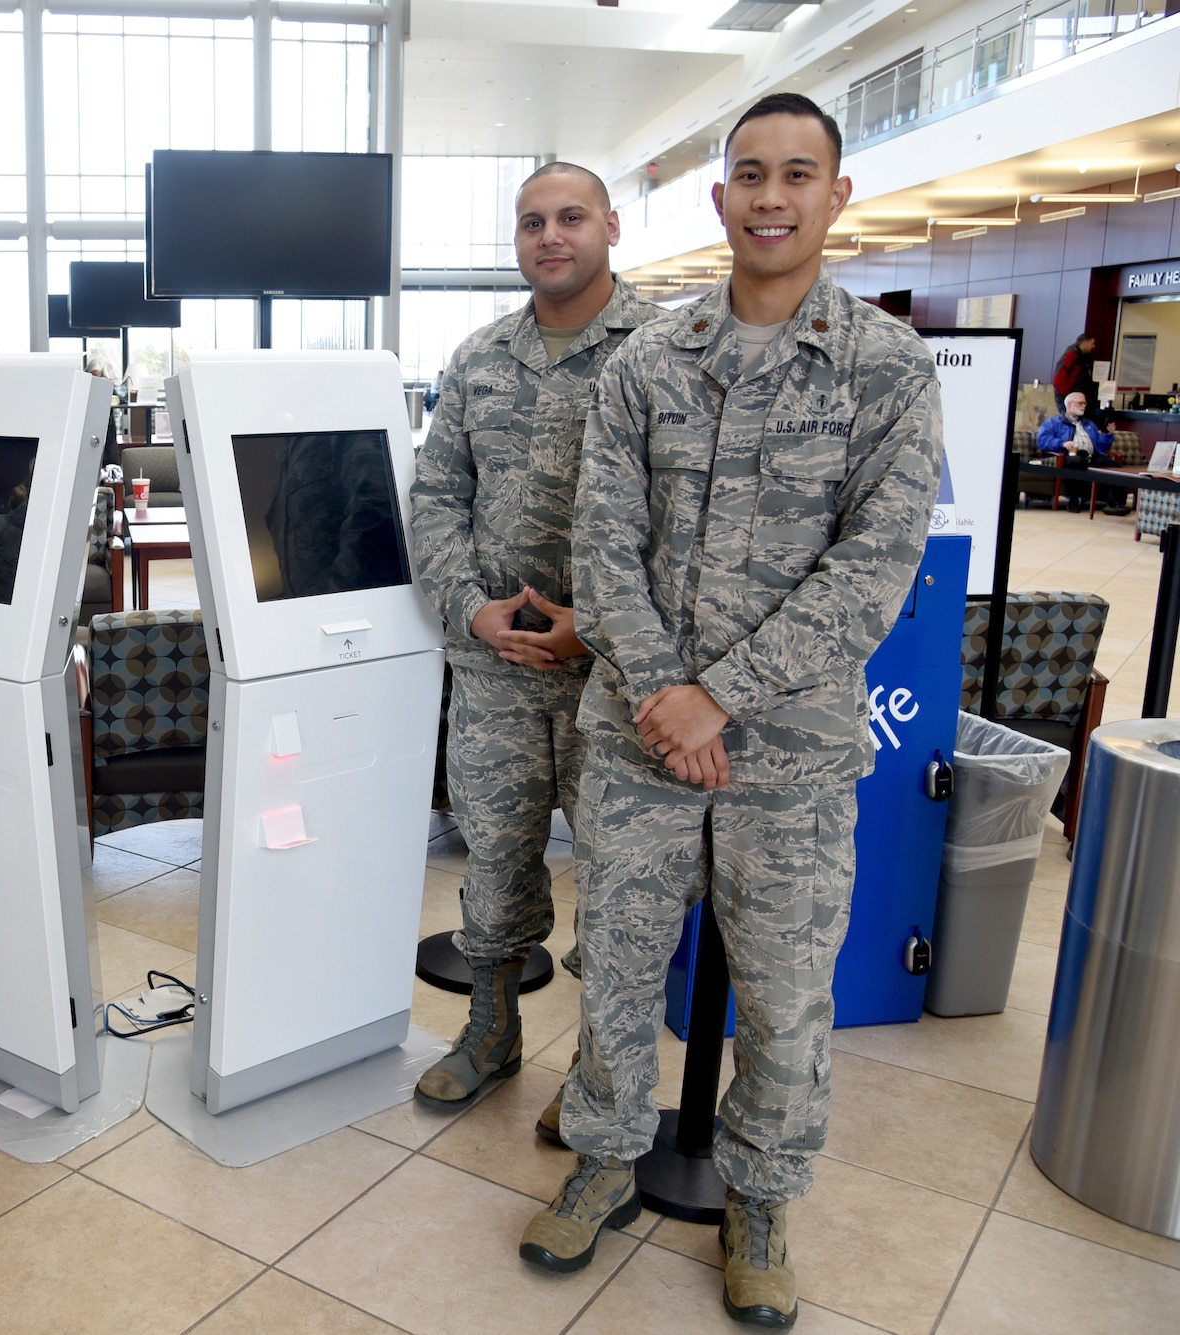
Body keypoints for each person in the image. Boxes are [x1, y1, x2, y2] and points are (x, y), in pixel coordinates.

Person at [521, 94, 941, 1330]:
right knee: (614, 972)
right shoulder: (649, 361)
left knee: (784, 994)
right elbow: (600, 542)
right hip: (641, 743)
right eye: (747, 174)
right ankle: (601, 1158)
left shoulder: (883, 368)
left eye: (794, 175)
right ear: (717, 200)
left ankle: (758, 1202)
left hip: (791, 756)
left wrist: (720, 697)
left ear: (833, 196)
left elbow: (873, 570)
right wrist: (665, 699)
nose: (769, 197)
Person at [408, 162, 660, 1112]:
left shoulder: (664, 351)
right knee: (498, 856)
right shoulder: (476, 359)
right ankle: (491, 1031)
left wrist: (592, 630)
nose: (550, 236)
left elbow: (684, 524)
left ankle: (598, 1078)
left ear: (611, 227)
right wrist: (470, 607)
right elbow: (435, 498)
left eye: (569, 218)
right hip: (496, 667)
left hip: (616, 674)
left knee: (621, 878)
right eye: (530, 223)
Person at [1038, 390, 1120, 514]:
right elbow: (1042, 441)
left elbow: (1100, 446)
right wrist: (1062, 443)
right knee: (1076, 462)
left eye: (1085, 404)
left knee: (1113, 465)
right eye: (1080, 403)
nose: (1084, 406)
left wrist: (1108, 435)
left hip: (1091, 456)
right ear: (1069, 404)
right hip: (1068, 455)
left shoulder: (1089, 424)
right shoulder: (1053, 423)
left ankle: (1113, 503)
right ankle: (1073, 501)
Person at [1053, 333, 1098, 413]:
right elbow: (1058, 379)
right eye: (1092, 344)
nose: (1093, 347)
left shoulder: (1084, 357)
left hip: (1076, 398)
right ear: (1085, 343)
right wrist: (1068, 396)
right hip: (1069, 399)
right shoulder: (1072, 355)